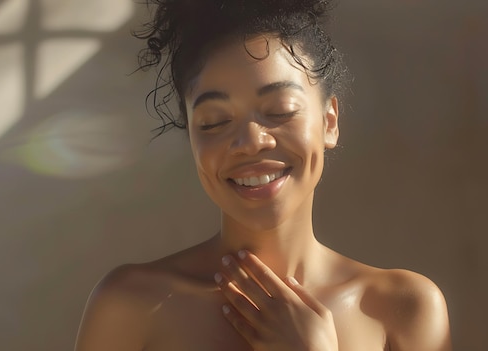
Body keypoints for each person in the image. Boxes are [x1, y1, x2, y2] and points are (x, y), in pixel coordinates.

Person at [75, 0, 452, 350]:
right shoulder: (130, 306)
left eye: (280, 109)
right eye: (215, 121)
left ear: (329, 122)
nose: (250, 141)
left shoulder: (405, 309)